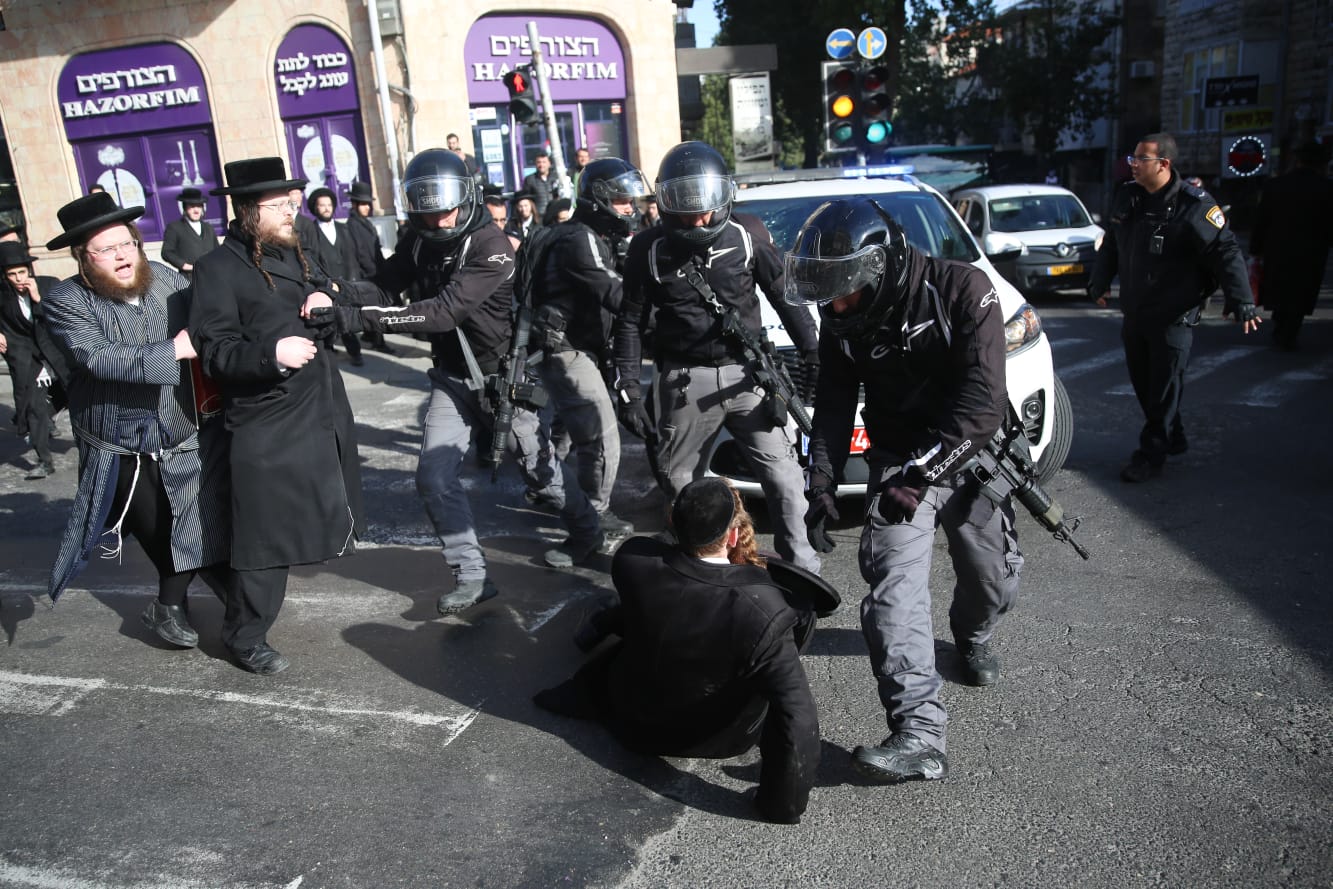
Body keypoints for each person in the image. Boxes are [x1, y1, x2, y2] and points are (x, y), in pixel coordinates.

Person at [786, 197, 1021, 784]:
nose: (836, 307)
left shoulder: (964, 290)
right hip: (896, 462)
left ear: (881, 267)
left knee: (989, 578)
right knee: (893, 591)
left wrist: (924, 475)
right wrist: (820, 483)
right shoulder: (842, 318)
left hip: (968, 453)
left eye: (846, 293)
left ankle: (972, 634)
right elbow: (834, 404)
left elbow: (984, 404)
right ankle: (919, 733)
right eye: (829, 296)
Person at [332, 148, 602, 604]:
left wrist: (357, 319)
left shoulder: (490, 246)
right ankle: (471, 576)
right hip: (451, 379)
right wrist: (335, 291)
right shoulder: (419, 240)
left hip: (501, 381)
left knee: (542, 476)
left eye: (447, 209)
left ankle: (587, 530)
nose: (439, 220)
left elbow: (443, 312)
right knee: (433, 478)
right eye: (428, 211)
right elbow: (384, 283)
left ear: (466, 198)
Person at [535, 477, 830, 824]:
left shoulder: (633, 561)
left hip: (630, 719)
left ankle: (593, 633)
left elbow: (636, 605)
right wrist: (781, 806)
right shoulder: (766, 610)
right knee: (788, 647)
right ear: (733, 537)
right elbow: (797, 716)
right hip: (714, 738)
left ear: (674, 525)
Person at [613, 140, 821, 572]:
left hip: (750, 375)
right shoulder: (647, 249)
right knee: (681, 486)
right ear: (666, 203)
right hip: (685, 381)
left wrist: (813, 351)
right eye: (687, 211)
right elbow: (630, 321)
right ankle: (702, 573)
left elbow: (785, 296)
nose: (700, 220)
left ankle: (802, 571)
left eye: (707, 209)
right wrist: (628, 388)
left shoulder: (747, 233)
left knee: (785, 479)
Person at [191, 157, 363, 674]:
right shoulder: (217, 269)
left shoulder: (299, 252)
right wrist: (271, 355)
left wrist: (326, 296)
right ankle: (244, 635)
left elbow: (351, 294)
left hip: (319, 411)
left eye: (292, 202)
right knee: (265, 536)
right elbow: (215, 351)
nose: (292, 211)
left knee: (314, 517)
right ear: (248, 211)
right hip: (266, 420)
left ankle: (233, 601)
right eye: (279, 205)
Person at [39, 192, 230, 653]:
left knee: (197, 523)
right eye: (106, 249)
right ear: (82, 256)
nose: (123, 255)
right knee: (161, 531)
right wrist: (174, 350)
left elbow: (212, 318)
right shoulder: (65, 300)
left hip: (180, 429)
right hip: (119, 443)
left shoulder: (165, 278)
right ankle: (179, 603)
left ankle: (172, 604)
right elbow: (98, 357)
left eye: (127, 243)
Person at [1088, 132, 1260, 483]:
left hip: (1173, 317)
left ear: (1164, 164)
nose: (1133, 164)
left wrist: (1241, 299)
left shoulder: (1193, 205)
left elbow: (1225, 251)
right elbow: (1112, 244)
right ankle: (1172, 435)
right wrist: (1099, 281)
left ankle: (1150, 454)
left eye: (1141, 159)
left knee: (1164, 389)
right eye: (1133, 158)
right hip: (1136, 311)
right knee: (1144, 384)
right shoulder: (1128, 196)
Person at [531, 158, 651, 544]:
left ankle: (549, 490)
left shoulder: (588, 235)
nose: (630, 209)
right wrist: (673, 310)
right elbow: (617, 293)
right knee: (601, 435)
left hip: (575, 348)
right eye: (621, 201)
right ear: (598, 200)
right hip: (568, 350)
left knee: (567, 433)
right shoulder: (579, 239)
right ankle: (593, 513)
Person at [1250, 141, 1333, 352]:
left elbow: (1262, 219)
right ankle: (1289, 330)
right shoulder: (1326, 188)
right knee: (1301, 292)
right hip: (1311, 251)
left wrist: (1256, 249)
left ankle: (1281, 324)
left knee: (1280, 288)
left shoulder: (1276, 185)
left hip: (1278, 248)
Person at [0, 241, 70, 478]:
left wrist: (39, 299)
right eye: (12, 274)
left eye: (22, 272)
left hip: (56, 353)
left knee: (73, 397)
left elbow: (63, 316)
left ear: (29, 270)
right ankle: (44, 461)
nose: (19, 278)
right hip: (28, 359)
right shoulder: (3, 295)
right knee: (34, 409)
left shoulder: (49, 284)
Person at [301, 186, 365, 366]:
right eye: (322, 205)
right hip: (326, 285)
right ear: (315, 208)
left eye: (329, 205)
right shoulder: (311, 231)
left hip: (346, 281)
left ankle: (355, 352)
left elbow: (353, 255)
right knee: (331, 320)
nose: (326, 208)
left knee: (346, 320)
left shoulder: (344, 228)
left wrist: (354, 278)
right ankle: (331, 351)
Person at [343, 180, 396, 355]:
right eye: (363, 204)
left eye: (368, 204)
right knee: (375, 310)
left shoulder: (365, 222)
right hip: (367, 274)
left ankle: (369, 335)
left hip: (375, 270)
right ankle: (379, 342)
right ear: (354, 204)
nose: (367, 207)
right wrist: (371, 272)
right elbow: (359, 253)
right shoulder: (352, 225)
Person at [159, 187, 219, 277]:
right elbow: (166, 252)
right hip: (190, 277)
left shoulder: (208, 228)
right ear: (185, 208)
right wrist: (184, 265)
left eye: (199, 206)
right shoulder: (175, 227)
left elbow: (217, 251)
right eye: (192, 206)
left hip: (211, 275)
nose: (196, 210)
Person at [522, 152, 561, 217]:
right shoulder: (530, 180)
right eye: (539, 162)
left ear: (549, 164)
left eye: (544, 162)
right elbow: (527, 199)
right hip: (539, 215)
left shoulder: (556, 178)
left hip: (555, 214)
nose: (541, 165)